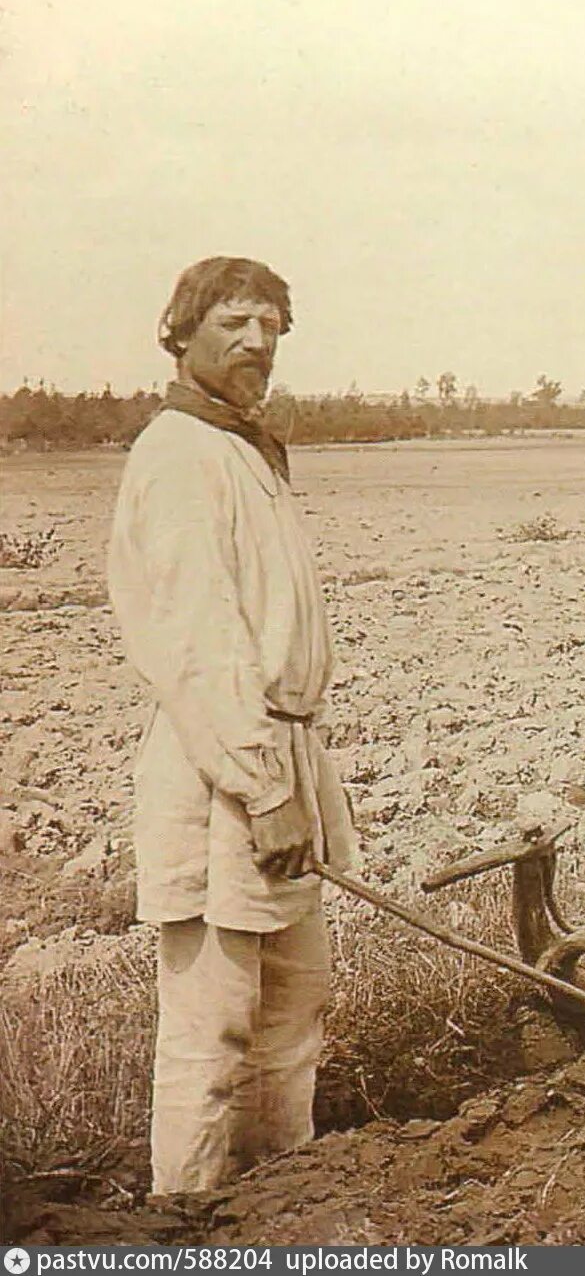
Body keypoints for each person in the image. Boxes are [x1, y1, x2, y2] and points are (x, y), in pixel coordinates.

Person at [107, 256, 358, 1194]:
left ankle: (279, 1211)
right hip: (222, 762)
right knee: (212, 1022)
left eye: (272, 328)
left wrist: (292, 779)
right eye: (235, 323)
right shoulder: (178, 456)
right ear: (179, 332)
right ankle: (190, 1216)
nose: (259, 344)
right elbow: (200, 644)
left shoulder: (240, 449)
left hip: (280, 749)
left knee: (294, 1010)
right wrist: (264, 788)